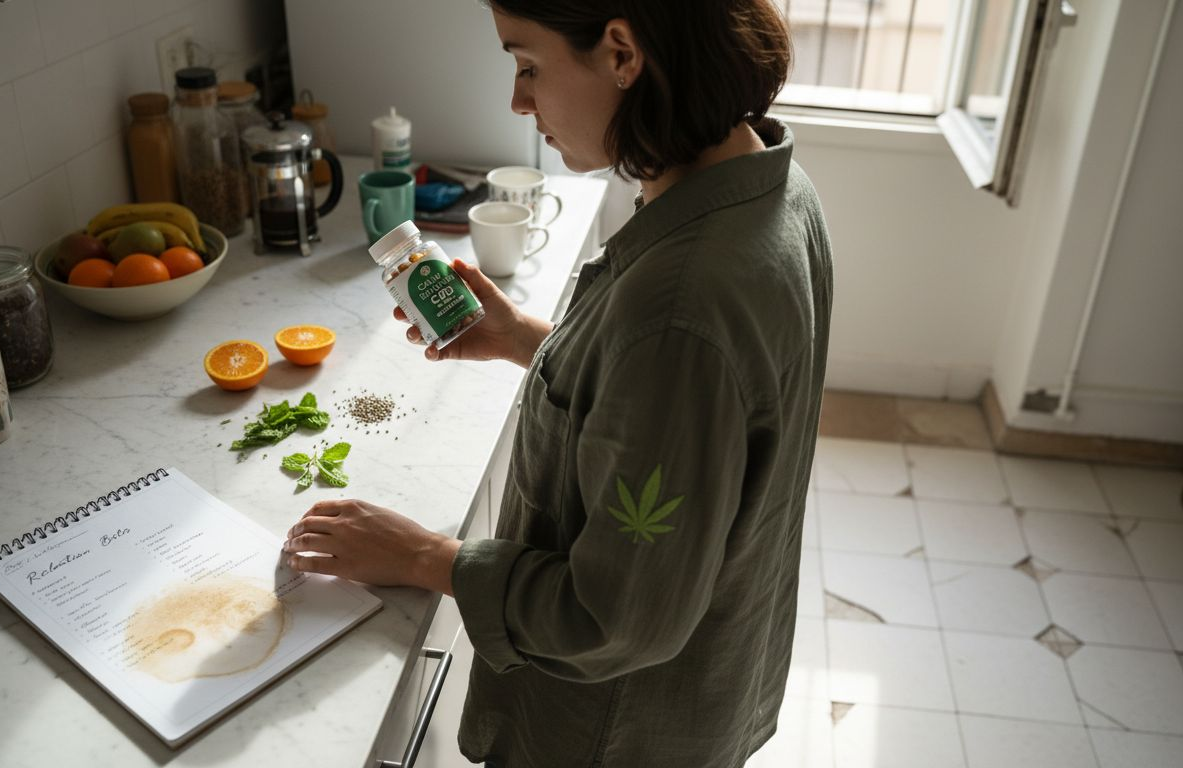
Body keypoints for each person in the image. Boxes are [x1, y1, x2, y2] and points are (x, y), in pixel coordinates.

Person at [282, 1, 833, 765]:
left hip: (612, 732)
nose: (518, 98)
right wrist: (526, 340)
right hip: (705, 683)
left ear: (621, 53)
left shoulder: (682, 304)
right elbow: (676, 413)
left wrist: (421, 557)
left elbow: (613, 619)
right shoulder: (769, 183)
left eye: (528, 63)